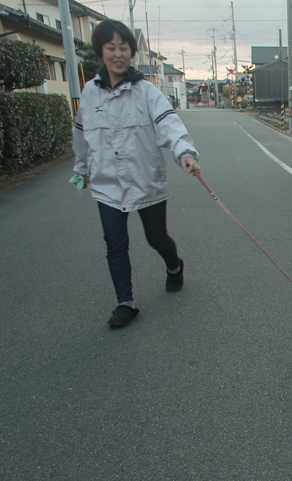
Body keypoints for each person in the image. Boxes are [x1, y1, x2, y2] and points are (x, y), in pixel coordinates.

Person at [72, 20, 201, 328]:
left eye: (124, 48)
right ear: (101, 52)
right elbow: (81, 133)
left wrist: (184, 153)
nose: (118, 54)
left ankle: (174, 266)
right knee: (115, 242)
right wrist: (81, 167)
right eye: (111, 47)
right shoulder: (89, 92)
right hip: (107, 184)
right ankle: (125, 302)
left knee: (157, 238)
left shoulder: (146, 91)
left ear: (131, 52)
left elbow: (170, 124)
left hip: (146, 181)